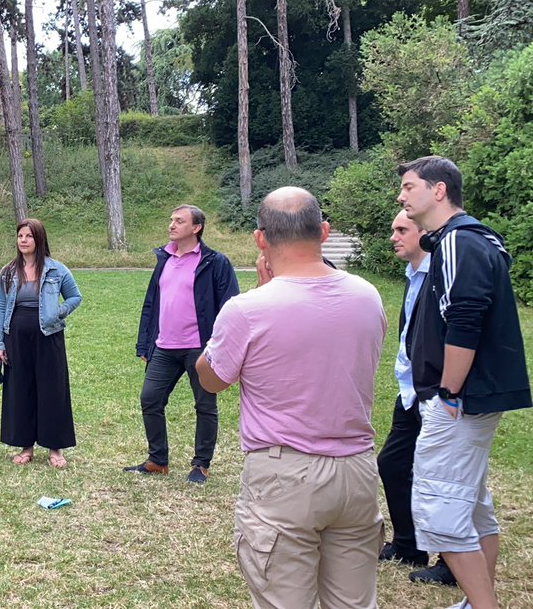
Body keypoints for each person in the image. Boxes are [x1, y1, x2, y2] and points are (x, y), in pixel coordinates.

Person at [196, 187, 386, 608]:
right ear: (324, 231)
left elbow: (211, 379)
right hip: (357, 470)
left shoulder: (247, 309)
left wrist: (254, 299)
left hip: (284, 474)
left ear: (260, 239)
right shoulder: (367, 295)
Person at [397, 156, 531, 609]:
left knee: (440, 508)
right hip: (474, 398)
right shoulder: (471, 239)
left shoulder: (457, 241)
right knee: (471, 503)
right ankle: (477, 601)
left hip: (460, 399)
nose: (401, 196)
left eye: (409, 187)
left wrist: (449, 391)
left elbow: (465, 319)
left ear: (438, 190)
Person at [376, 209, 458, 587]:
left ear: (424, 233)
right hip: (410, 391)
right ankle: (409, 545)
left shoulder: (441, 276)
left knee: (442, 475)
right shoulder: (413, 276)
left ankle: (452, 562)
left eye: (401, 230)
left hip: (435, 391)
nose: (393, 237)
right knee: (392, 463)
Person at [128, 205, 238, 483]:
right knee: (150, 399)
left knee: (205, 405)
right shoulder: (164, 259)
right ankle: (158, 460)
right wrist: (145, 343)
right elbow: (151, 304)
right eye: (171, 220)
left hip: (200, 348)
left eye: (179, 221)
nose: (172, 225)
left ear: (196, 227)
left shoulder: (215, 262)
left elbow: (230, 307)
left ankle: (201, 465)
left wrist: (220, 346)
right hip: (164, 347)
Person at [0, 218, 82, 468]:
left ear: (39, 239)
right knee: (21, 389)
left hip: (49, 336)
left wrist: (58, 312)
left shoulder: (56, 270)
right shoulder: (8, 272)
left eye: (29, 236)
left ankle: (55, 449)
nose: (23, 240)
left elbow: (75, 297)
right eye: (20, 235)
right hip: (16, 337)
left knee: (52, 389)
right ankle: (26, 446)